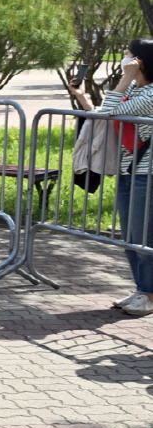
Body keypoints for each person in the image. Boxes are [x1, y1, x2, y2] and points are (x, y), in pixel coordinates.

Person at [72, 38, 153, 315]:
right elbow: (104, 112)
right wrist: (82, 96)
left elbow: (109, 112)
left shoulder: (151, 94)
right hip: (128, 169)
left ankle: (150, 295)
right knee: (129, 237)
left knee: (144, 237)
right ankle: (142, 289)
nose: (124, 57)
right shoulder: (133, 88)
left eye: (129, 54)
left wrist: (124, 78)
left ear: (139, 61)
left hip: (147, 173)